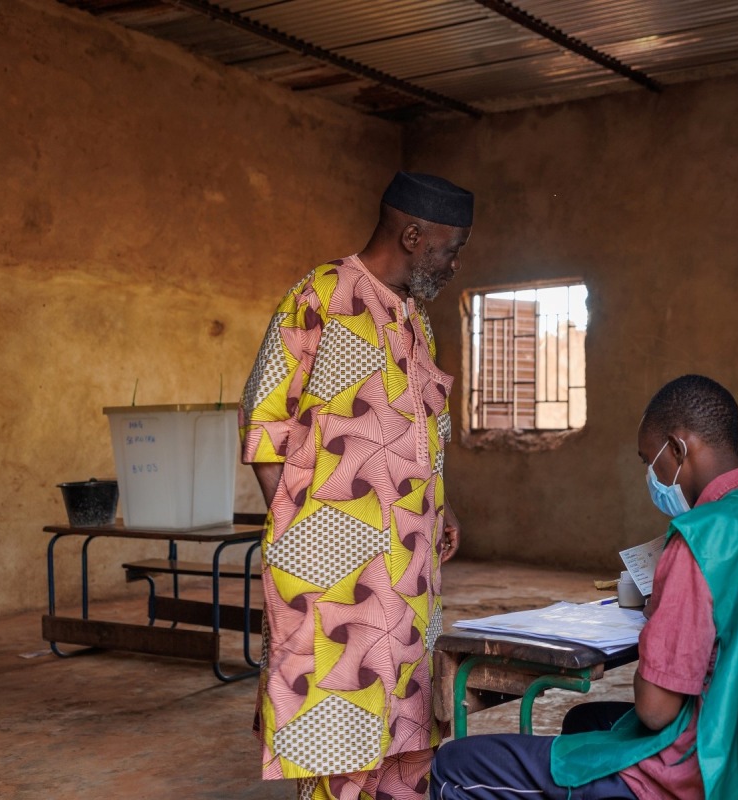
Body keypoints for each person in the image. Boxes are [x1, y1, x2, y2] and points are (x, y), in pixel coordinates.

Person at [430, 375, 738, 800]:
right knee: (587, 720)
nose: (650, 476)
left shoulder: (701, 539)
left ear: (677, 448)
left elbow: (655, 710)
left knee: (455, 765)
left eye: (648, 460)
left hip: (703, 776)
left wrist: (660, 627)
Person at [238, 171, 473, 800]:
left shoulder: (417, 321)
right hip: (332, 572)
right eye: (450, 249)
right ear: (414, 234)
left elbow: (423, 429)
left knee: (406, 725)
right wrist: (300, 533)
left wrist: (440, 504)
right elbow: (264, 422)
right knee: (336, 728)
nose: (453, 264)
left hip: (409, 570)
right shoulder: (320, 296)